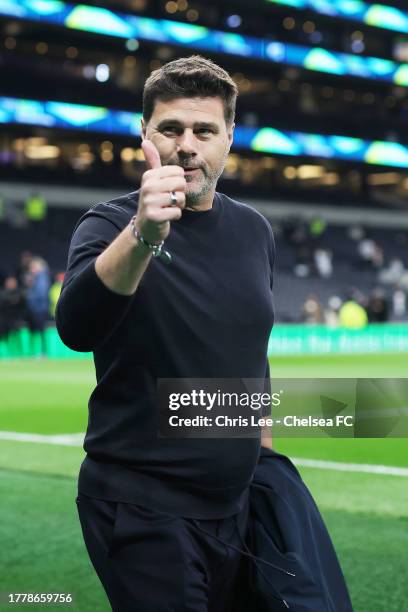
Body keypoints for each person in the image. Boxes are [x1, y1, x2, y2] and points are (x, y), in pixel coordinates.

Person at [56, 55, 352, 611]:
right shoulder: (106, 225)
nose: (186, 145)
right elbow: (77, 326)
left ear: (229, 139)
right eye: (170, 129)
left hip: (239, 507)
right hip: (142, 510)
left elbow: (252, 361)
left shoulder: (253, 230)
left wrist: (265, 473)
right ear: (145, 134)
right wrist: (144, 232)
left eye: (204, 130)